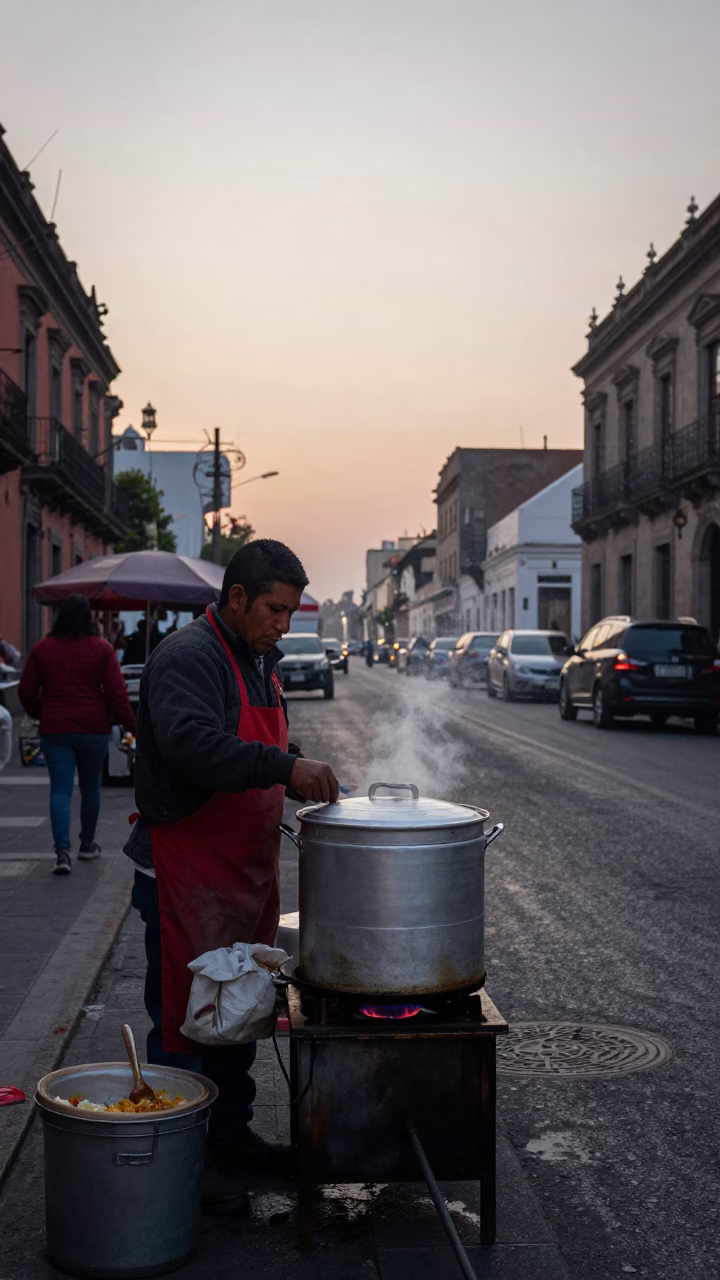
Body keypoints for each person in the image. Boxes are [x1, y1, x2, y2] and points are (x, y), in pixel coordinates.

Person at [125, 539, 338, 1214]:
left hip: (240, 876)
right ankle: (180, 1167)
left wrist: (294, 763)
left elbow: (262, 744)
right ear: (238, 598)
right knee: (188, 1024)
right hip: (183, 870)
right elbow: (192, 742)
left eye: (293, 613)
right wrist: (282, 770)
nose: (285, 624)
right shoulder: (190, 657)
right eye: (276, 609)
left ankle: (231, 1140)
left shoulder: (258, 659)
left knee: (238, 1011)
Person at [18, 595, 137, 876]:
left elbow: (25, 691)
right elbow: (116, 694)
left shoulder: (42, 649)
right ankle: (87, 843)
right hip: (93, 729)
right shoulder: (102, 649)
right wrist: (133, 726)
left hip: (56, 729)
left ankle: (62, 851)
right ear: (89, 618)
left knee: (60, 789)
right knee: (90, 787)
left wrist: (42, 712)